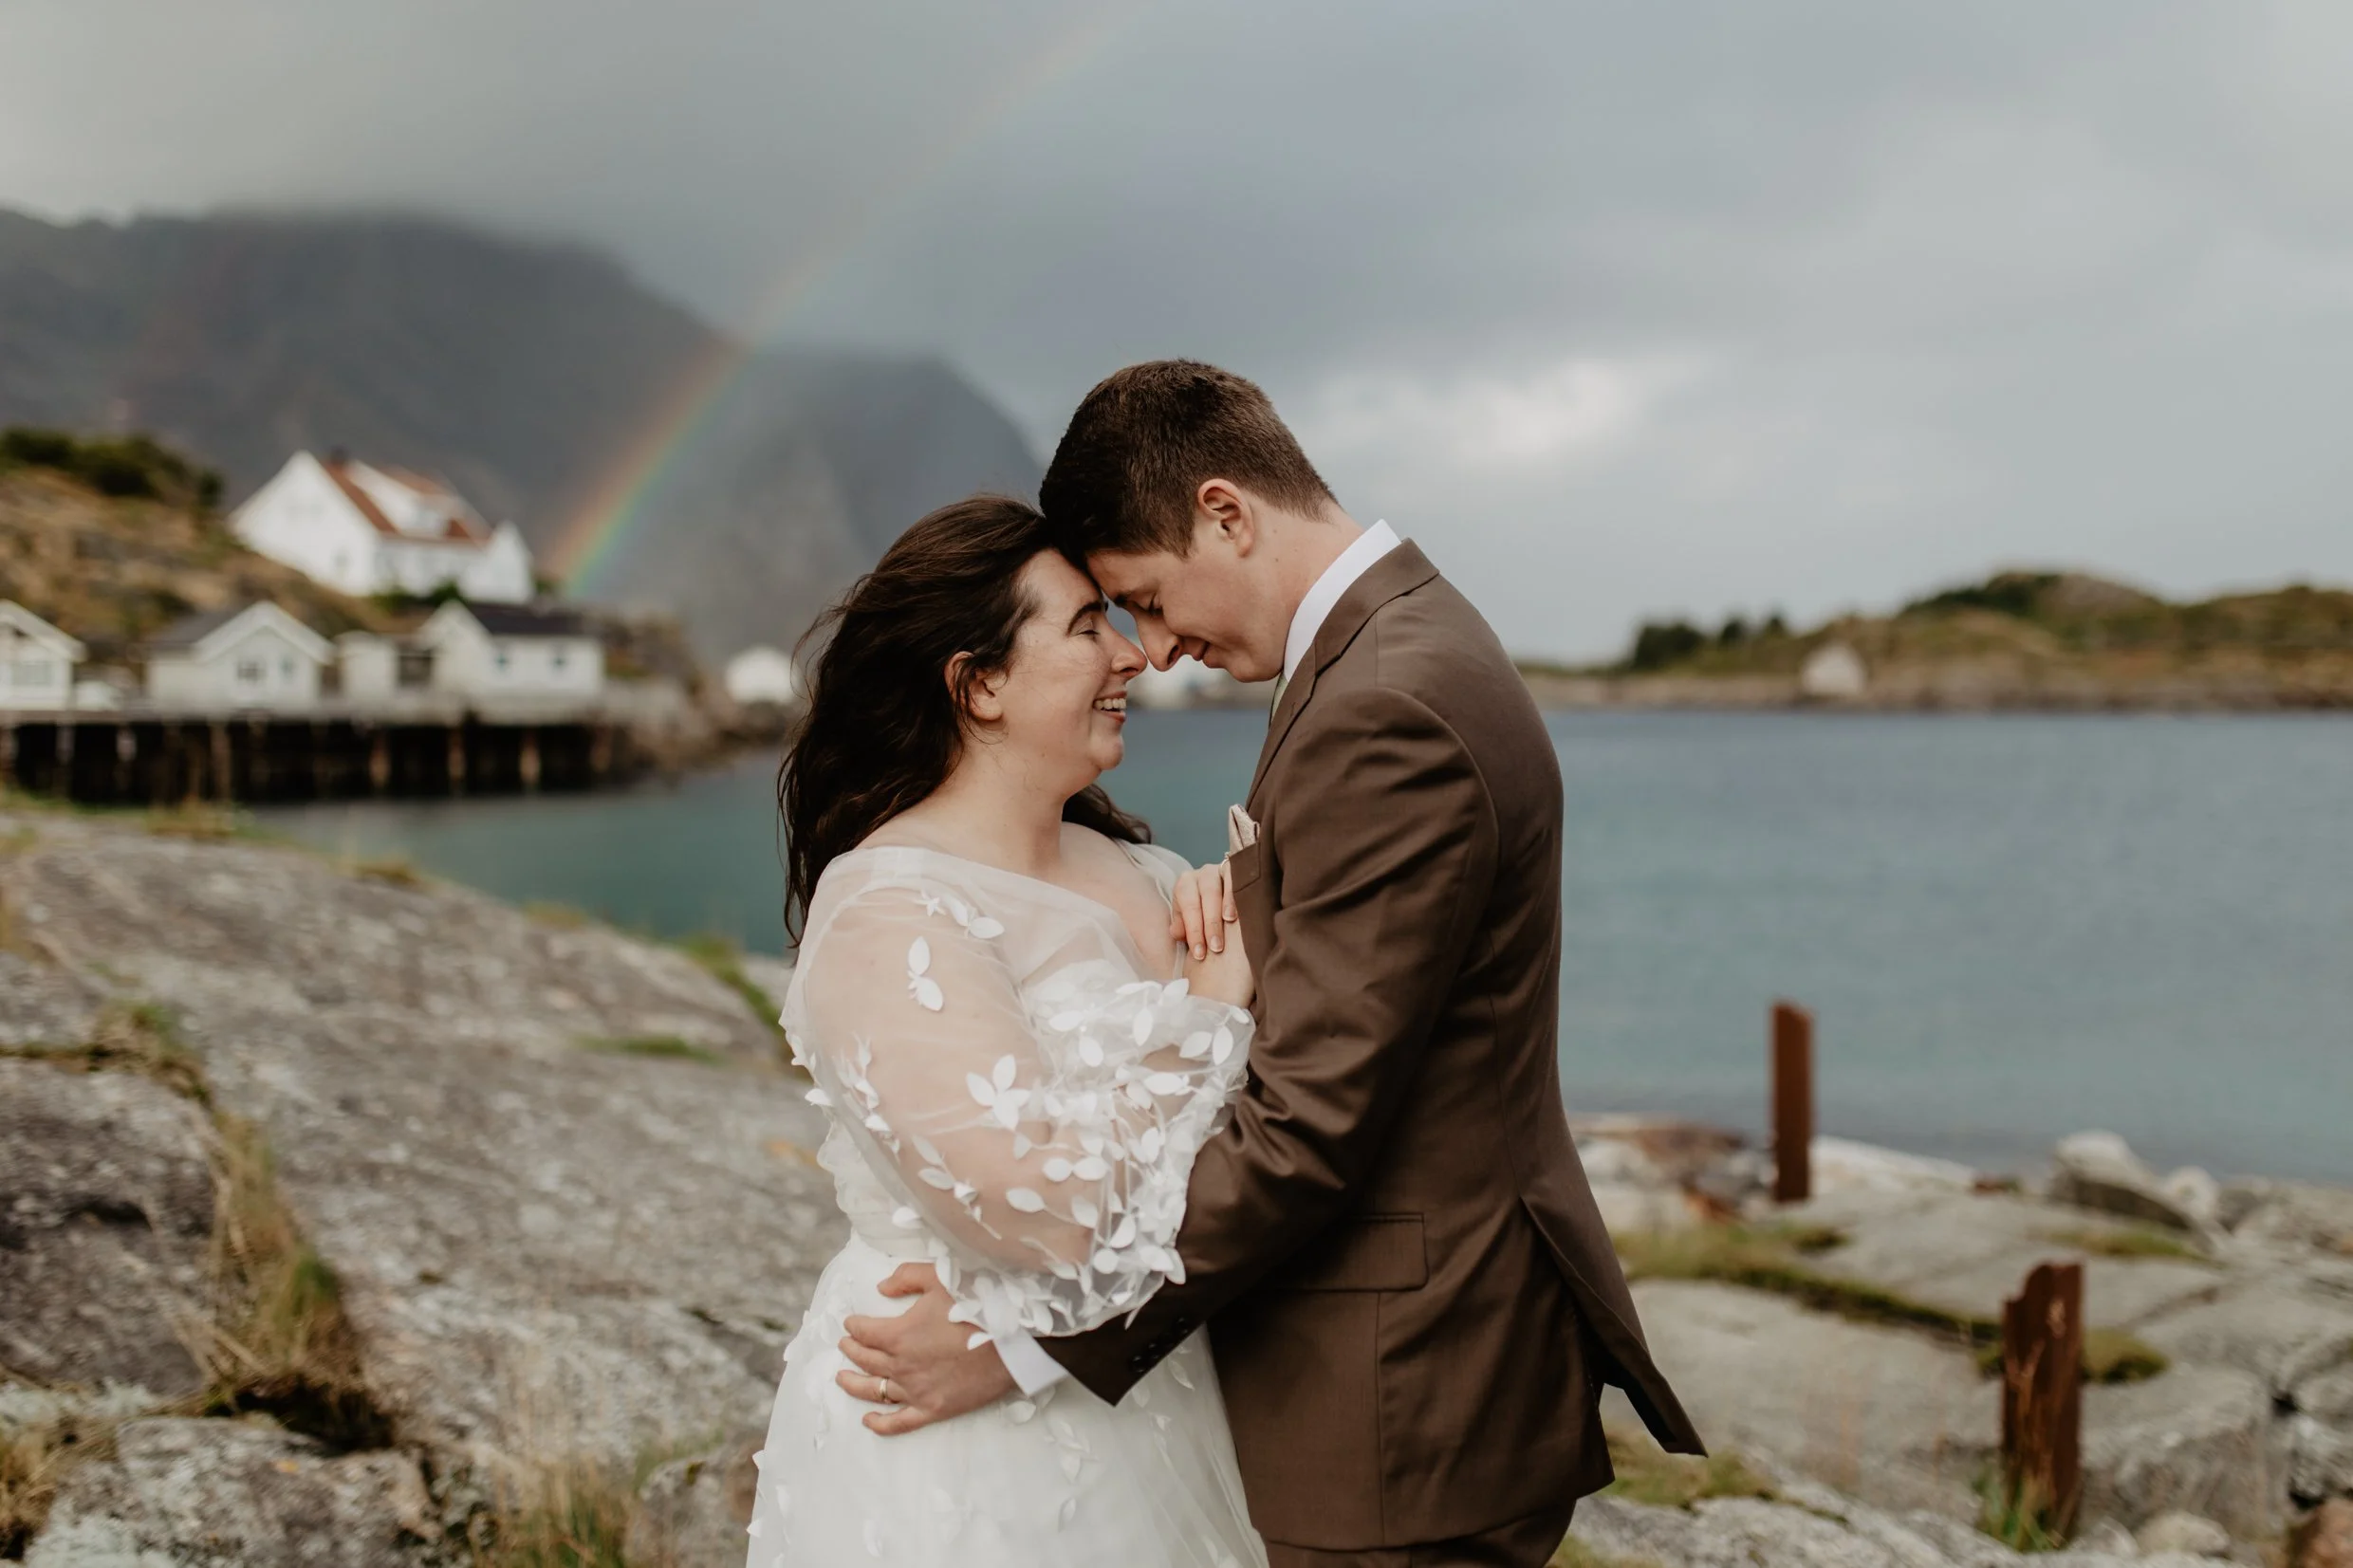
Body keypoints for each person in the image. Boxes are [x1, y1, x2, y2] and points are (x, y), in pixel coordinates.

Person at [837, 361, 1702, 1567]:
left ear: (1226, 513)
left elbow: (1307, 1125)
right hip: (1388, 1375)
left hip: (1403, 1394)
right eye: (1110, 618)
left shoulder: (1383, 702)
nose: (1161, 650)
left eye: (1139, 596)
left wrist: (1025, 1347)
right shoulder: (1390, 653)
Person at [753, 494, 1270, 1566]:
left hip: (1162, 1391)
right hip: (960, 1439)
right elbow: (1046, 1210)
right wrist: (1213, 1018)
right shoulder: (890, 910)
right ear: (977, 682)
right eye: (1086, 626)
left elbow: (1265, 1145)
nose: (1131, 655)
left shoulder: (1151, 873)